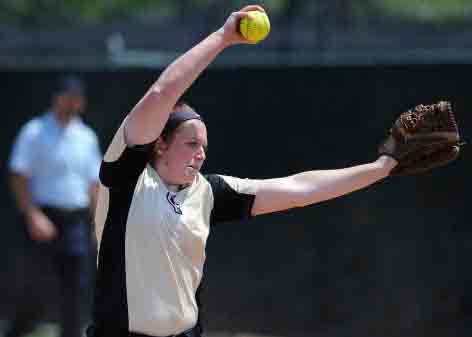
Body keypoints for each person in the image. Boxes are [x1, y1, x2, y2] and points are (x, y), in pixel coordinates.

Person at [88, 5, 398, 337]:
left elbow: (300, 189)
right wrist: (222, 38)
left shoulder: (207, 193)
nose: (201, 154)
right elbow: (162, 93)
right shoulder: (125, 179)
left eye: (204, 146)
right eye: (191, 144)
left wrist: (381, 169)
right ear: (160, 144)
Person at [7, 76, 102, 337]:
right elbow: (18, 176)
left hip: (76, 222)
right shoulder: (34, 131)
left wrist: (96, 223)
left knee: (75, 292)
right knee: (34, 291)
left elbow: (93, 184)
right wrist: (32, 214)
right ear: (56, 98)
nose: (72, 103)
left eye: (77, 98)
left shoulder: (86, 137)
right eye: (67, 96)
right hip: (43, 220)